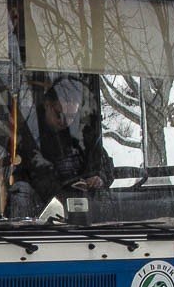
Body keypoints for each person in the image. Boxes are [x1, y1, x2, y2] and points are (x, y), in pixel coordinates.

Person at [24, 75, 113, 203]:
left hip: (87, 209)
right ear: (47, 105)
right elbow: (34, 177)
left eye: (71, 115)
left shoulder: (84, 136)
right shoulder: (32, 136)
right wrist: (64, 188)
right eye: (59, 114)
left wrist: (99, 178)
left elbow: (104, 165)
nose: (65, 121)